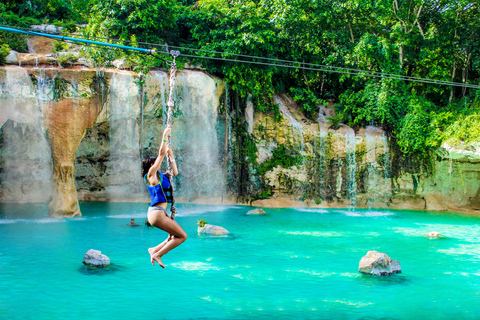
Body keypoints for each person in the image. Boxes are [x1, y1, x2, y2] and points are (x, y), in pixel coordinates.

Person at [141, 125, 187, 268]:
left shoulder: (162, 176)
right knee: (182, 237)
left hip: (160, 213)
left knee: (174, 237)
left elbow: (175, 172)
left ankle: (153, 250)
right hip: (156, 213)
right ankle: (158, 254)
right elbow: (161, 155)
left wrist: (171, 154)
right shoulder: (150, 175)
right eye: (155, 163)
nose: (158, 164)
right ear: (151, 165)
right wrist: (164, 136)